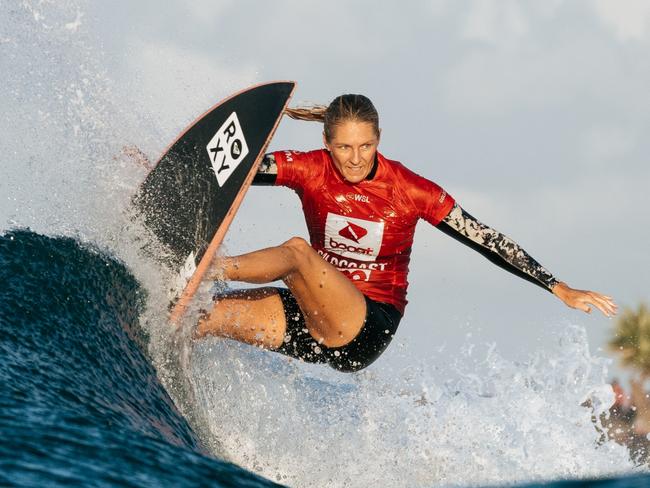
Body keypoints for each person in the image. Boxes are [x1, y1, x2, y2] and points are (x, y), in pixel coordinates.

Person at [195, 94, 617, 372]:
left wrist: (557, 287)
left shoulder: (411, 190)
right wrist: (175, 173)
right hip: (314, 314)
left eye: (365, 146)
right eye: (343, 148)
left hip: (368, 326)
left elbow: (485, 239)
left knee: (296, 252)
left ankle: (203, 268)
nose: (355, 159)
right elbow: (234, 171)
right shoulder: (311, 168)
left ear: (379, 140)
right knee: (198, 317)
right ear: (327, 142)